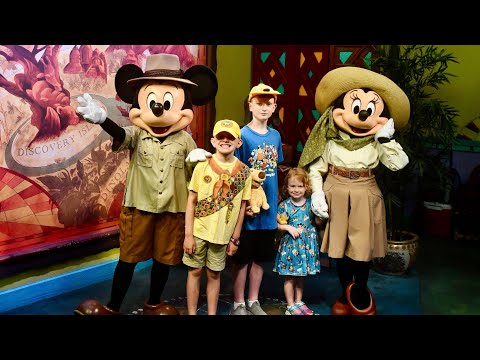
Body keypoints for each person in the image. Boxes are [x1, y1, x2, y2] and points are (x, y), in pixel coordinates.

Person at [73, 53, 218, 315]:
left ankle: (153, 303)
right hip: (138, 207)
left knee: (163, 260)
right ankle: (113, 307)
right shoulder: (138, 133)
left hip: (172, 210)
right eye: (151, 100)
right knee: (127, 259)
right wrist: (103, 120)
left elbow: (197, 176)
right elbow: (122, 135)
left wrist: (202, 162)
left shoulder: (185, 141)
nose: (159, 108)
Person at [298, 66, 410, 315]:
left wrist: (385, 140)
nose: (361, 115)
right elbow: (316, 168)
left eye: (370, 110)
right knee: (339, 249)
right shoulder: (328, 137)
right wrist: (317, 193)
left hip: (364, 192)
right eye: (355, 107)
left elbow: (399, 164)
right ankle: (345, 293)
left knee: (361, 250)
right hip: (335, 189)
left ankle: (360, 291)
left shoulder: (378, 139)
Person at [182, 119, 252, 315]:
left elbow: (241, 208)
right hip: (198, 231)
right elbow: (192, 201)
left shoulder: (244, 172)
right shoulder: (202, 166)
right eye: (221, 136)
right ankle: (192, 313)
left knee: (214, 274)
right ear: (213, 141)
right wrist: (188, 235)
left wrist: (235, 239)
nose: (225, 140)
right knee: (194, 271)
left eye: (230, 137)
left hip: (223, 234)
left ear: (238, 143)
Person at [229, 83, 284, 315]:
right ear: (250, 105)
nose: (264, 108)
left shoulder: (275, 135)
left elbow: (275, 169)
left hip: (268, 208)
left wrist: (277, 202)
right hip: (248, 209)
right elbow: (236, 172)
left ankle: (253, 300)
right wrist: (243, 207)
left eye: (268, 104)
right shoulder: (242, 135)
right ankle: (239, 302)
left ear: (274, 107)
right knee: (242, 258)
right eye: (259, 103)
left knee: (261, 258)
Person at [273, 167, 322, 315]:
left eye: (300, 186)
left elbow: (317, 221)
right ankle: (290, 305)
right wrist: (287, 227)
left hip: (306, 246)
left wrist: (320, 216)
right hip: (290, 246)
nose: (296, 189)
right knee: (290, 276)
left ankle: (299, 301)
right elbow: (276, 223)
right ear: (287, 187)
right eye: (292, 186)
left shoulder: (310, 204)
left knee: (301, 276)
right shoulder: (284, 205)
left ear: (306, 187)